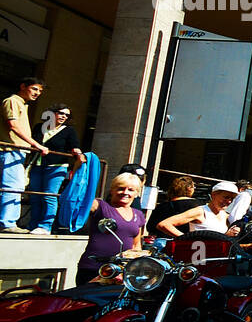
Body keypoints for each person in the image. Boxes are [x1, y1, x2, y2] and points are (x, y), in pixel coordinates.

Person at [24, 102, 84, 234]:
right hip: (37, 165)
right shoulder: (40, 127)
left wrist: (79, 154)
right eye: (61, 113)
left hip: (56, 167)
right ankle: (33, 224)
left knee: (49, 196)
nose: (64, 116)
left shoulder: (69, 130)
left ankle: (45, 226)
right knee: (35, 196)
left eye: (66, 115)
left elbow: (74, 146)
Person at [75, 173, 145, 284]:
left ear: (137, 193)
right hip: (94, 268)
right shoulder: (100, 206)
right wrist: (80, 169)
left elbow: (136, 246)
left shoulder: (139, 214)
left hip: (121, 273)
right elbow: (79, 199)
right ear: (112, 190)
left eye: (131, 190)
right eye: (121, 189)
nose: (125, 193)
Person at [1, 77, 49, 233]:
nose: (37, 93)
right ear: (23, 86)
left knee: (15, 185)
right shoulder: (12, 101)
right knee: (13, 186)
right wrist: (36, 144)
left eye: (40, 91)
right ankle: (7, 223)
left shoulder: (22, 104)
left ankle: (7, 221)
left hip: (17, 151)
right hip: (11, 150)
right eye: (35, 89)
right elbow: (13, 125)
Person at [154, 180, 241, 236]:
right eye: (226, 197)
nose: (229, 201)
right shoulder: (200, 212)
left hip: (216, 259)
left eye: (232, 199)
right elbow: (164, 224)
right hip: (197, 259)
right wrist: (187, 240)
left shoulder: (226, 216)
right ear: (214, 195)